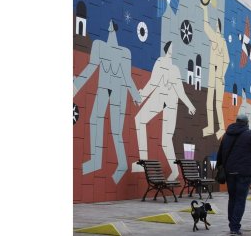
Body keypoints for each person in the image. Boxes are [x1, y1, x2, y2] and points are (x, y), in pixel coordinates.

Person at [73, 19, 142, 184]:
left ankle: (122, 164)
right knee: (93, 120)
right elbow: (91, 67)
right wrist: (75, 86)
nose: (108, 24)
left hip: (119, 92)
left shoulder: (125, 53)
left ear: (113, 27)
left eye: (110, 23)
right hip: (103, 88)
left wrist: (135, 95)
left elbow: (127, 77)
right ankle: (96, 160)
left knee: (116, 130)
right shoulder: (99, 46)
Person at [132, 41, 196, 180]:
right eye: (172, 45)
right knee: (139, 120)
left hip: (171, 102)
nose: (174, 47)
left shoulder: (175, 69)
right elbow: (153, 82)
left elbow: (180, 92)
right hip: (160, 97)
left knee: (166, 139)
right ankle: (143, 161)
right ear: (167, 48)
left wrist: (190, 105)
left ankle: (175, 171)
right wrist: (141, 97)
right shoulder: (160, 62)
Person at [216, 114, 251, 235]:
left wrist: (220, 167)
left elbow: (220, 153)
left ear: (236, 121)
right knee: (240, 199)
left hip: (229, 172)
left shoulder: (226, 135)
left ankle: (232, 224)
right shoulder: (250, 134)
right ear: (246, 123)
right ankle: (235, 227)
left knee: (232, 198)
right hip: (244, 172)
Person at [201, 3, 230, 140]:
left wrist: (222, 74)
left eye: (216, 25)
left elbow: (227, 60)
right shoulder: (213, 39)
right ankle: (210, 126)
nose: (214, 27)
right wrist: (205, 9)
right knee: (208, 101)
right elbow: (205, 26)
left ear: (219, 26)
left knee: (217, 103)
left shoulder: (222, 42)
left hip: (219, 76)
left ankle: (221, 128)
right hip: (212, 74)